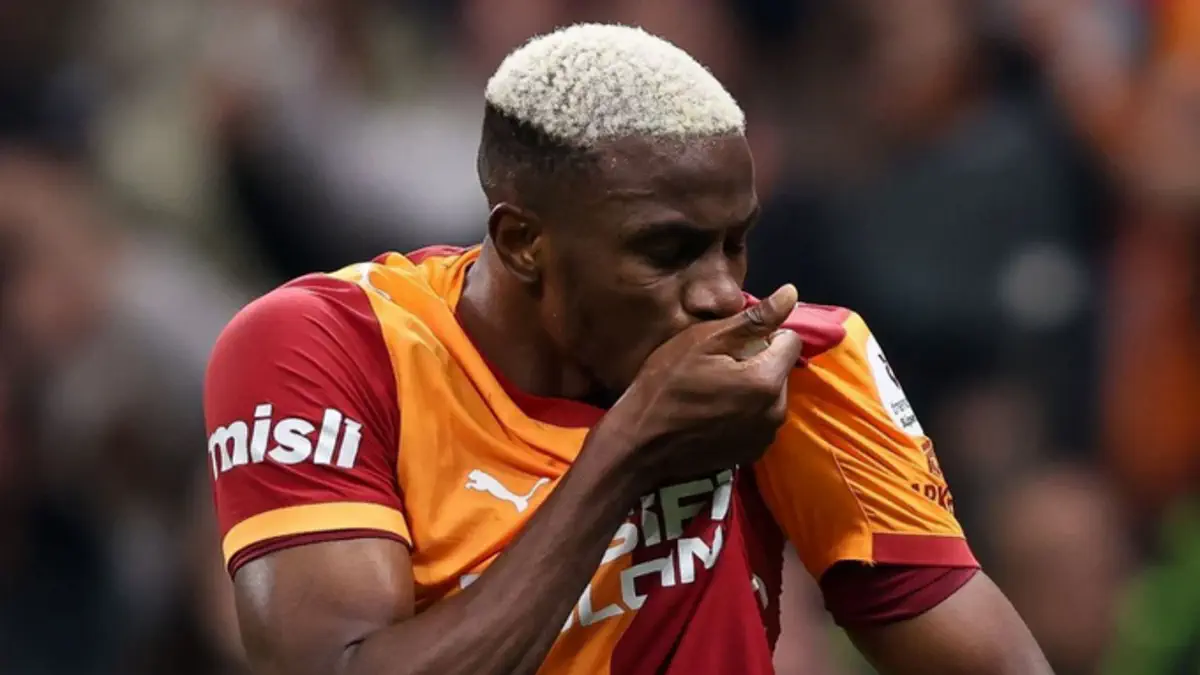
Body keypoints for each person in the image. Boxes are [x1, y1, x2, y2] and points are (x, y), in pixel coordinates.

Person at [204, 24, 1051, 675]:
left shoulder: (793, 364)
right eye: (668, 250)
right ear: (524, 241)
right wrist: (629, 453)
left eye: (735, 243)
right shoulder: (326, 348)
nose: (720, 292)